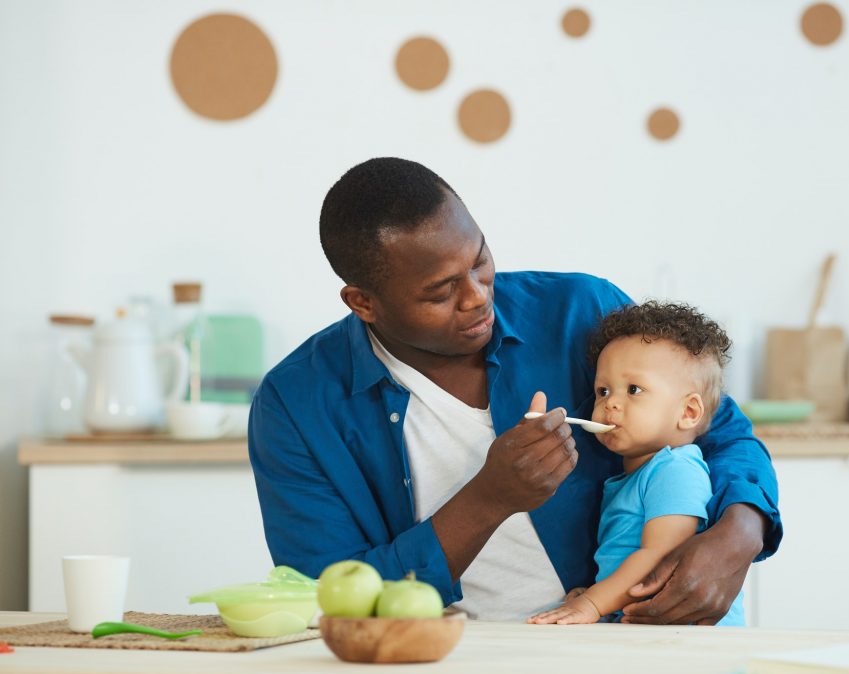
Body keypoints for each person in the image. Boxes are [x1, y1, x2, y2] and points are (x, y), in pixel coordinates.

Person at [249, 157, 781, 623]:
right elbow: (330, 600)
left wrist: (739, 536)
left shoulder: (581, 311)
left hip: (617, 647)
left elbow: (720, 430)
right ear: (362, 302)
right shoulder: (296, 405)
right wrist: (489, 499)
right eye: (440, 291)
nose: (478, 297)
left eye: (479, 260)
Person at [528, 302, 744, 625]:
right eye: (603, 391)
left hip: (688, 642)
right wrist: (596, 593)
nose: (610, 402)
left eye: (633, 389)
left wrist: (592, 603)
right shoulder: (633, 476)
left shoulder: (677, 470)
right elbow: (625, 556)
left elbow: (659, 558)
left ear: (688, 412)